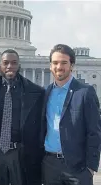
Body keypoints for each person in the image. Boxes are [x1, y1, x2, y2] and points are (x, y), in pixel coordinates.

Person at [0, 49, 45, 185]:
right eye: (6, 63)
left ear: (19, 66)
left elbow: (40, 125)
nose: (10, 66)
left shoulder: (36, 91)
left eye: (14, 63)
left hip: (20, 152)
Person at [40, 44, 101, 185]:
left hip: (77, 167)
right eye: (55, 63)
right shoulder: (45, 93)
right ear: (50, 66)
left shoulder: (85, 92)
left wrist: (91, 167)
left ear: (72, 65)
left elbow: (94, 132)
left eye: (64, 63)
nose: (59, 67)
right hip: (50, 164)